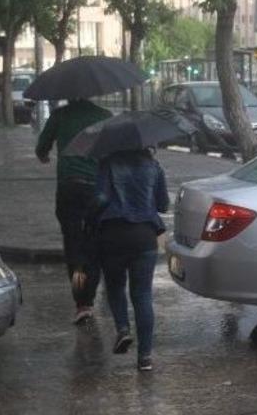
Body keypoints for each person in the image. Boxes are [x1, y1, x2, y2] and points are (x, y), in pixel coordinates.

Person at [35, 99, 112, 324]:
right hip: (96, 190)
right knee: (94, 245)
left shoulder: (60, 115)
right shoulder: (104, 115)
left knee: (74, 248)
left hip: (69, 188)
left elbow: (42, 149)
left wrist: (46, 155)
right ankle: (93, 291)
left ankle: (82, 303)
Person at [94, 149, 170, 371]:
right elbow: (163, 205)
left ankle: (123, 329)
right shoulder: (153, 166)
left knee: (115, 287)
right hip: (144, 236)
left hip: (113, 234)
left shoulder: (108, 162)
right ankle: (145, 357)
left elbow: (100, 198)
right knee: (142, 295)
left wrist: (90, 217)